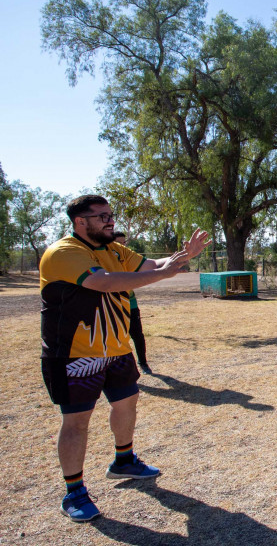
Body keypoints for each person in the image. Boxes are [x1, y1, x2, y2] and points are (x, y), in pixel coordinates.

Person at [41, 195, 210, 521]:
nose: (109, 220)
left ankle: (124, 461)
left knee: (127, 402)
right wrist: (165, 273)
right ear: (80, 221)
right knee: (77, 421)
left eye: (110, 215)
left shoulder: (115, 250)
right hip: (74, 355)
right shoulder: (64, 252)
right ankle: (74, 491)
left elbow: (152, 266)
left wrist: (183, 257)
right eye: (101, 216)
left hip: (116, 350)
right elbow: (104, 282)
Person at [113, 232, 151, 374]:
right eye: (118, 243)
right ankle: (120, 368)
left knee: (137, 335)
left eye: (124, 243)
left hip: (131, 304)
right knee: (118, 338)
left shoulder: (127, 258)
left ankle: (143, 363)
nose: (122, 246)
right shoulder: (105, 260)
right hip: (114, 305)